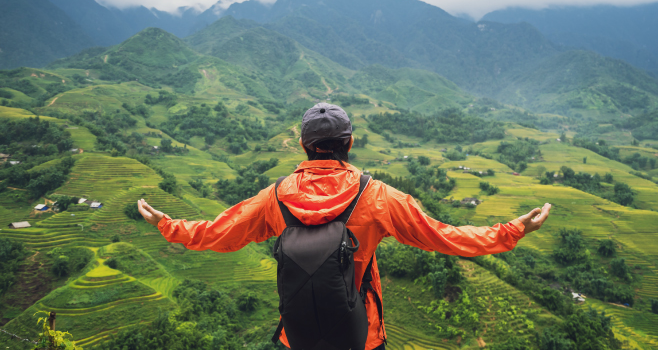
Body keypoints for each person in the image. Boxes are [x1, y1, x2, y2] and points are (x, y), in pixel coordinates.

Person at [138, 102, 551, 350]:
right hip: (361, 335)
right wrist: (511, 230)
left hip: (297, 334)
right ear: (349, 143)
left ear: (303, 145)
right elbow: (445, 237)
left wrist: (168, 225)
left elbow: (217, 233)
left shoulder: (275, 196)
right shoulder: (378, 197)